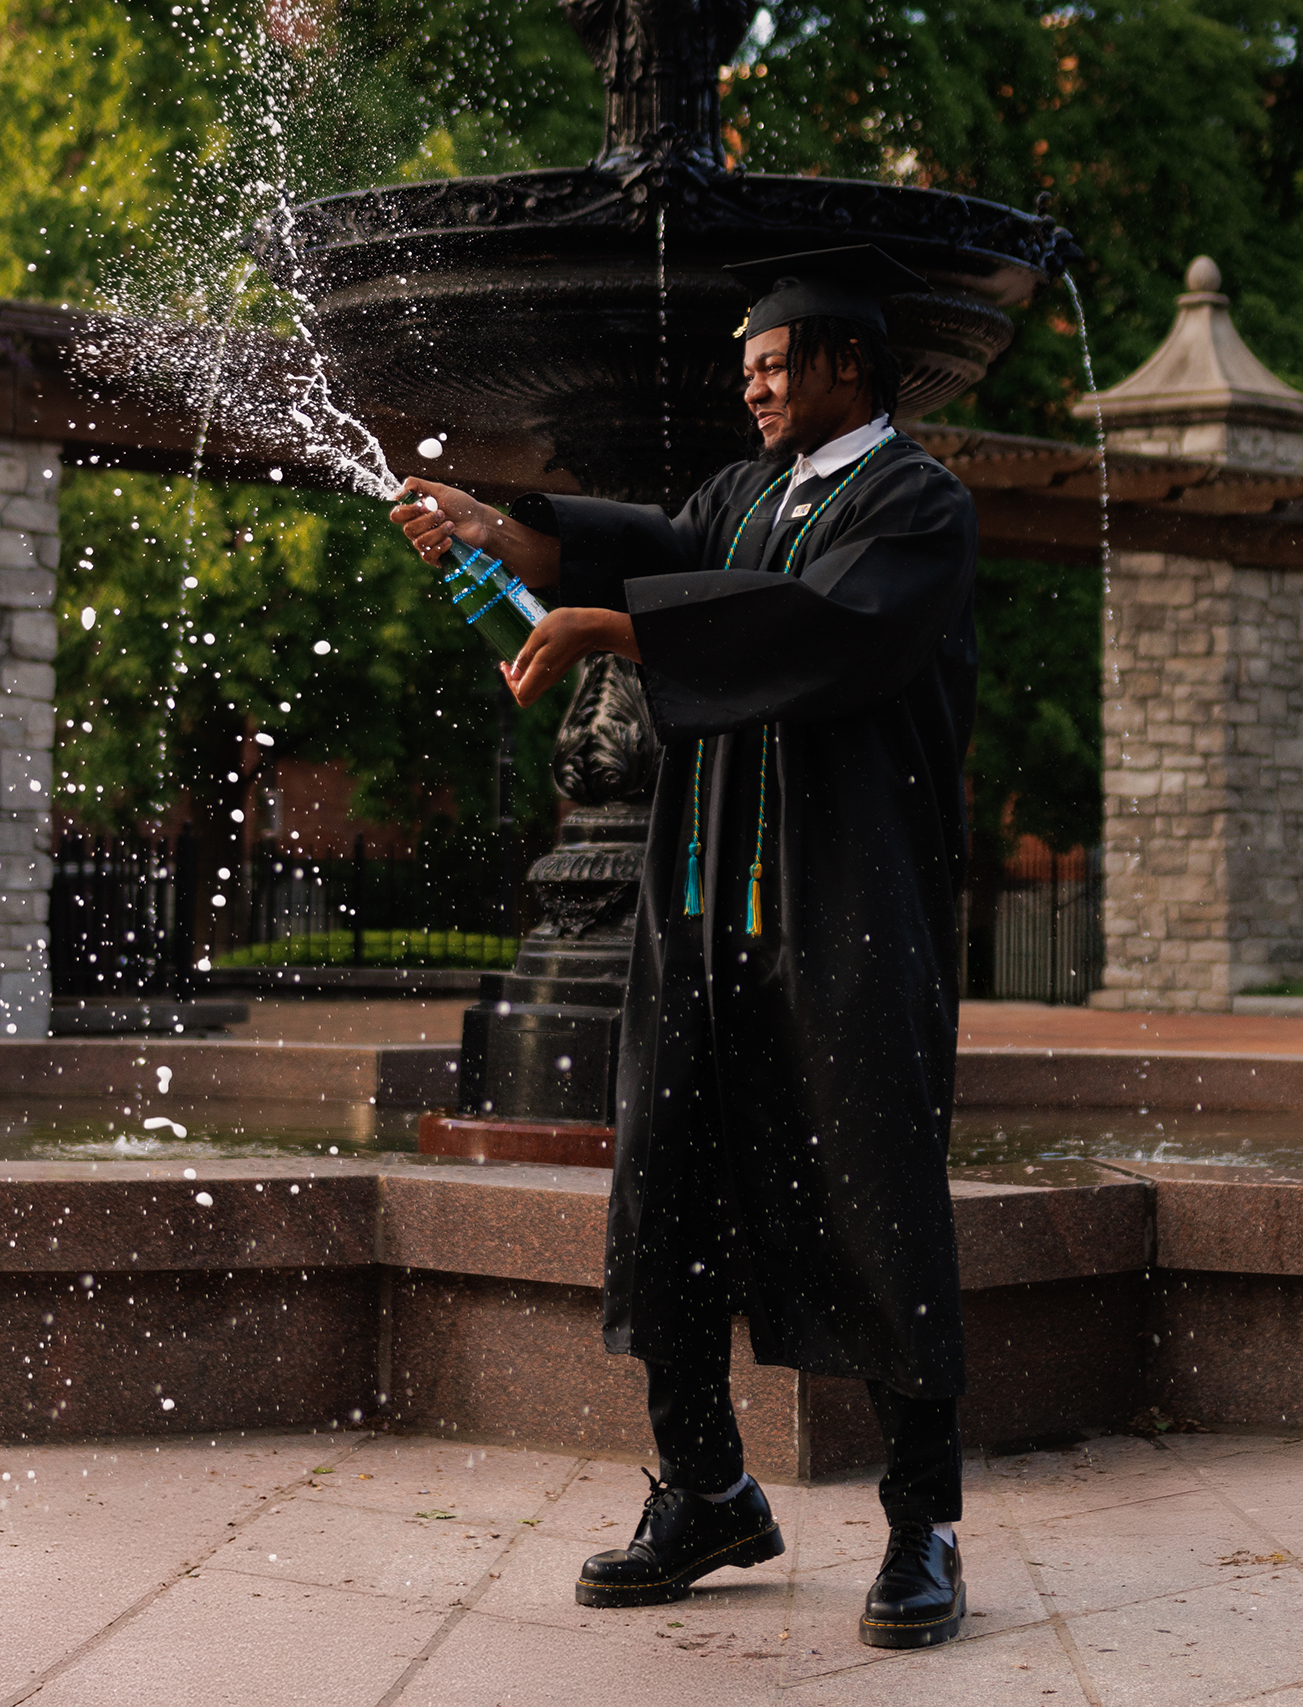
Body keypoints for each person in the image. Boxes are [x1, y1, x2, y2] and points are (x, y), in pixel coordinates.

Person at [392, 244, 975, 1653]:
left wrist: (617, 629)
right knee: (667, 1184)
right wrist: (498, 531)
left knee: (879, 1189)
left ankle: (922, 1523)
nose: (756, 384)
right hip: (706, 909)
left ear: (850, 364)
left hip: (842, 910)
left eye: (776, 364)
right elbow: (648, 547)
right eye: (748, 369)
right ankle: (705, 1487)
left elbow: (820, 627)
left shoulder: (916, 504)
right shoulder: (742, 496)